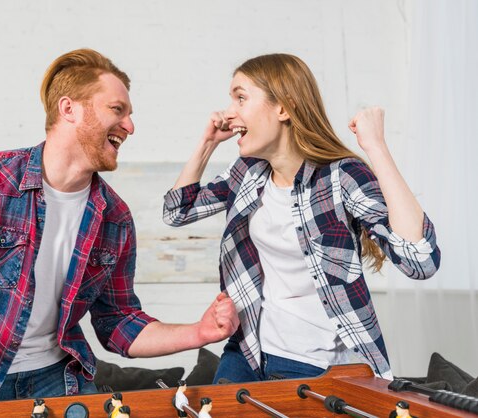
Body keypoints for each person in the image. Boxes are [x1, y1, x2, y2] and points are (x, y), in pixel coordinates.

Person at [0, 48, 239, 407]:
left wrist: (199, 332)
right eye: (118, 110)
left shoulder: (114, 218)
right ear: (69, 109)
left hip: (57, 383)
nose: (130, 126)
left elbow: (117, 322)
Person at [163, 53, 440, 383]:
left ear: (283, 108)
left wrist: (376, 146)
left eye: (240, 97)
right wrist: (206, 143)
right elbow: (177, 211)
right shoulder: (248, 173)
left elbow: (420, 261)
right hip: (248, 352)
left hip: (316, 364)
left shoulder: (341, 177)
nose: (229, 112)